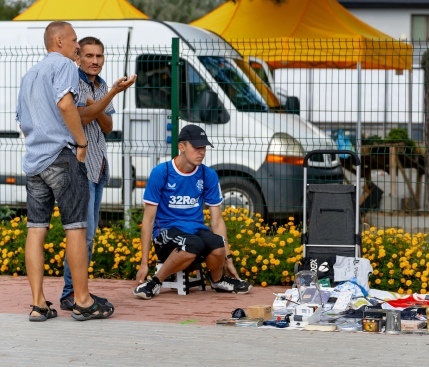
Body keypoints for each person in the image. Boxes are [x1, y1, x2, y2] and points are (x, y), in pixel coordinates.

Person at [16, 21, 114, 321]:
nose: (77, 46)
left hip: (33, 161)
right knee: (76, 228)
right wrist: (81, 142)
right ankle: (82, 300)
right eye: (73, 40)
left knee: (36, 229)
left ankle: (38, 304)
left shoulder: (30, 74)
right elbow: (66, 104)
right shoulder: (65, 66)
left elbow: (21, 119)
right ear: (58, 41)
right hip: (61, 156)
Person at [59, 36, 136, 311]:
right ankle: (71, 293)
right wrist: (111, 95)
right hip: (79, 168)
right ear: (78, 57)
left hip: (98, 167)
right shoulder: (74, 81)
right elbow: (83, 117)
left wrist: (100, 101)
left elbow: (107, 125)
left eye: (99, 56)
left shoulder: (99, 85)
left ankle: (80, 291)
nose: (94, 61)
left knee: (87, 235)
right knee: (81, 235)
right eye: (89, 56)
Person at [134, 124, 252, 299]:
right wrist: (144, 262)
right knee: (193, 244)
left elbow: (217, 221)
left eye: (203, 147)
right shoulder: (162, 172)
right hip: (166, 233)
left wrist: (228, 259)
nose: (201, 152)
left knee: (218, 244)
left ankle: (218, 281)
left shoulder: (208, 175)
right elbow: (149, 220)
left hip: (195, 233)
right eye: (196, 147)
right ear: (182, 147)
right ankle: (154, 282)